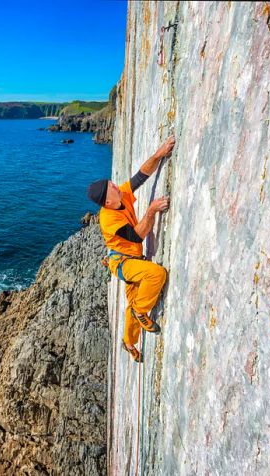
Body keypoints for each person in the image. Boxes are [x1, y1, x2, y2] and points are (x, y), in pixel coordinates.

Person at [86, 136, 175, 363]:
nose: (116, 185)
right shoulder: (109, 219)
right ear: (107, 201)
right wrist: (152, 210)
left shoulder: (121, 196)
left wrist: (158, 154)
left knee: (132, 302)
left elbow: (141, 176)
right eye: (112, 187)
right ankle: (141, 311)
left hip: (131, 259)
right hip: (123, 263)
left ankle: (128, 342)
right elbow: (136, 235)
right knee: (156, 274)